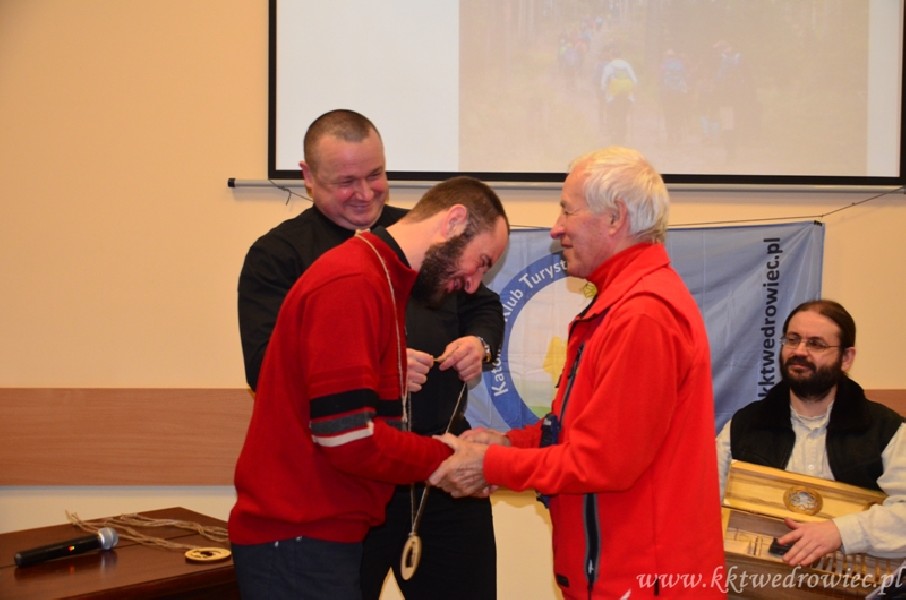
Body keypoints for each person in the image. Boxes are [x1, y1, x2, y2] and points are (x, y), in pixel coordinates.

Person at [429, 147, 726, 598]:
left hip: (644, 580)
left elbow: (603, 461)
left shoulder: (643, 315)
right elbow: (579, 432)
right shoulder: (622, 305)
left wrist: (490, 464)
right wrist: (509, 444)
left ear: (615, 218)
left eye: (568, 210)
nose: (556, 228)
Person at [235, 109, 502, 599]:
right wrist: (444, 450)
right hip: (323, 508)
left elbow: (482, 306)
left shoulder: (390, 262)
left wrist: (478, 345)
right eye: (346, 182)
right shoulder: (344, 275)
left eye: (375, 174)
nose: (364, 193)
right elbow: (340, 431)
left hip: (379, 484)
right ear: (308, 177)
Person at [716, 300, 906, 566]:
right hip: (754, 579)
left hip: (860, 583)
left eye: (816, 344)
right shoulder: (744, 425)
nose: (799, 351)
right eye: (792, 340)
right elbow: (703, 505)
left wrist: (841, 532)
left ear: (846, 358)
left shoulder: (886, 430)